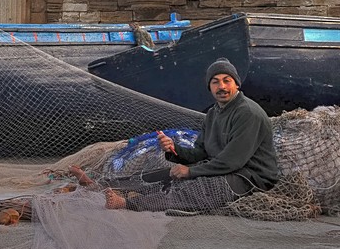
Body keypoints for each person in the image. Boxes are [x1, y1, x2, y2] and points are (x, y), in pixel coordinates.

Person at [69, 57, 279, 213]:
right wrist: (173, 149)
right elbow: (200, 152)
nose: (221, 87)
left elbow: (232, 161)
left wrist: (190, 172)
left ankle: (126, 203)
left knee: (198, 187)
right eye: (215, 82)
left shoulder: (248, 113)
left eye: (227, 81)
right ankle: (101, 184)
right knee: (164, 174)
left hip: (249, 177)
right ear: (209, 86)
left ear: (237, 84)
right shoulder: (213, 113)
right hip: (224, 167)